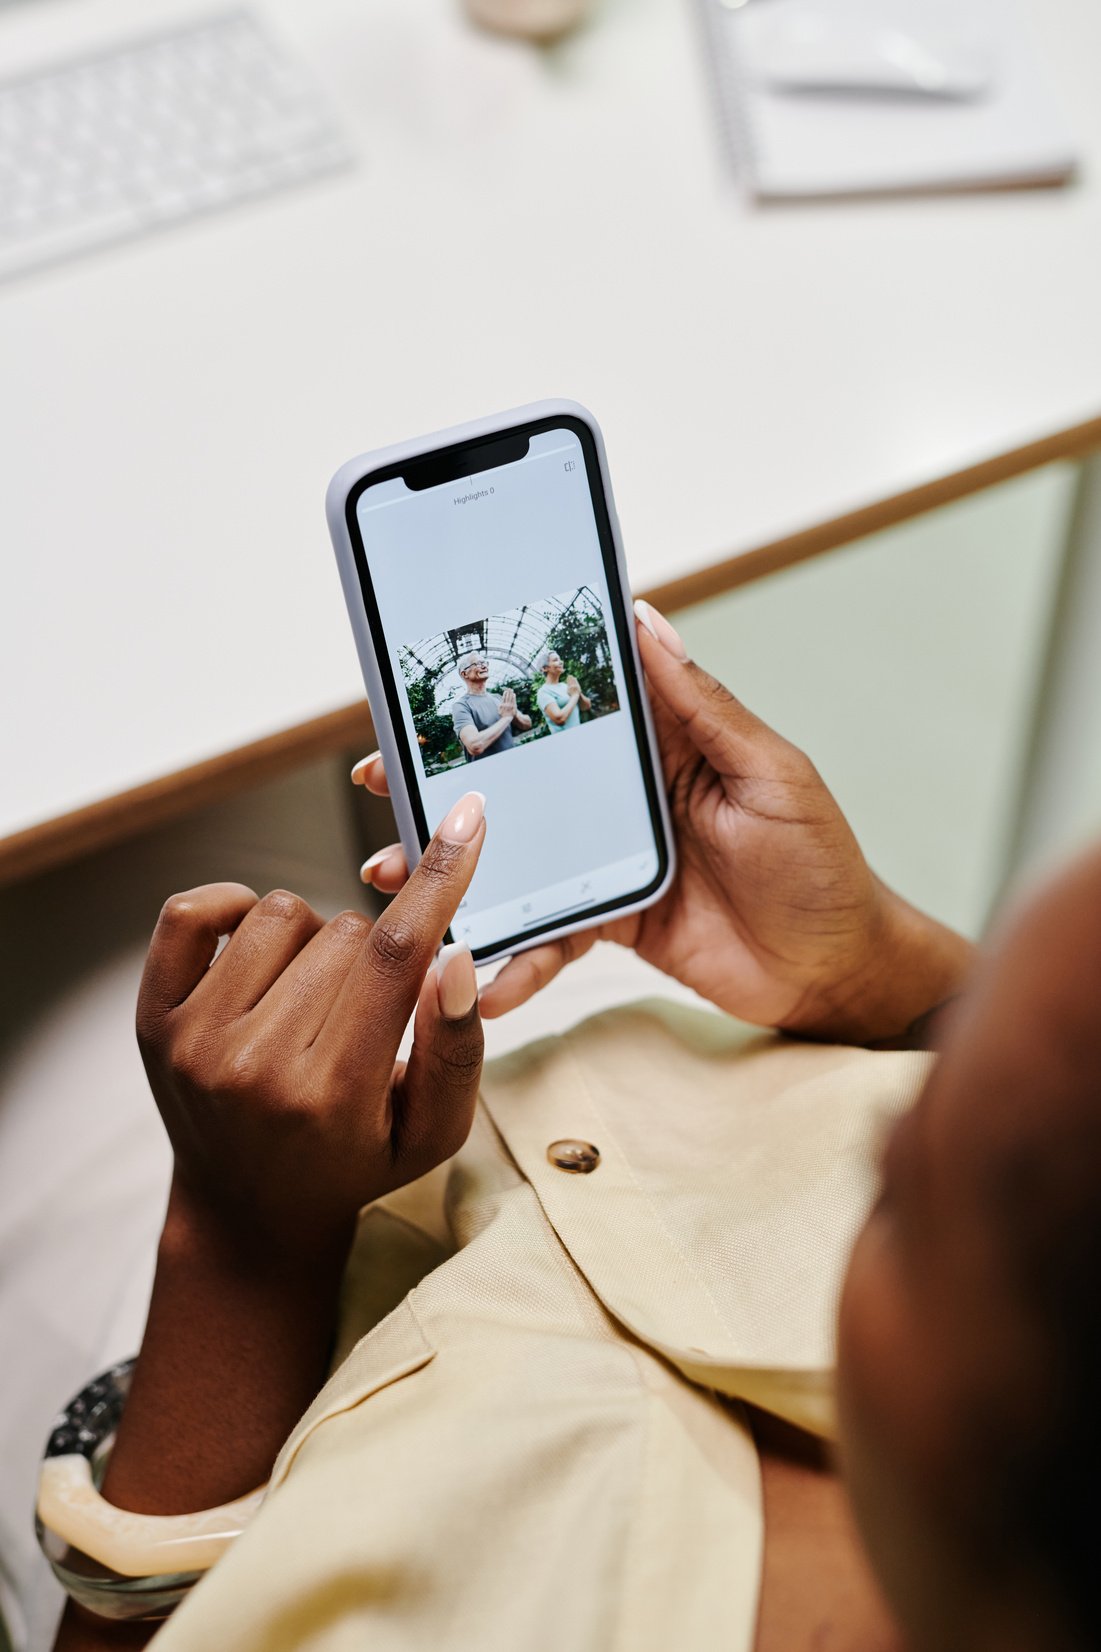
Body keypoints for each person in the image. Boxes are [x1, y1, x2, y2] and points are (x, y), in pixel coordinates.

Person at [44, 598, 1099, 1652]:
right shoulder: (1012, 1352)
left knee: (113, 709)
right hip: (580, 1000)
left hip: (201, 1300)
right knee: (312, 690)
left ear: (977, 1440)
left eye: (903, 1189)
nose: (884, 1121)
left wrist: (240, 1246)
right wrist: (870, 968)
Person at [449, 652, 531, 761]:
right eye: (477, 664)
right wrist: (506, 718)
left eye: (484, 662)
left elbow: (528, 724)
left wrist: (514, 712)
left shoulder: (498, 698)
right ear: (465, 674)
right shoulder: (461, 706)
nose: (484, 666)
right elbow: (475, 746)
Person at [533, 647, 589, 733]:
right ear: (545, 668)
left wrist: (578, 691)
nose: (561, 662)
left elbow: (586, 706)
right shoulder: (543, 692)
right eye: (555, 660)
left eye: (560, 659)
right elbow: (559, 719)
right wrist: (575, 695)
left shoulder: (565, 686)